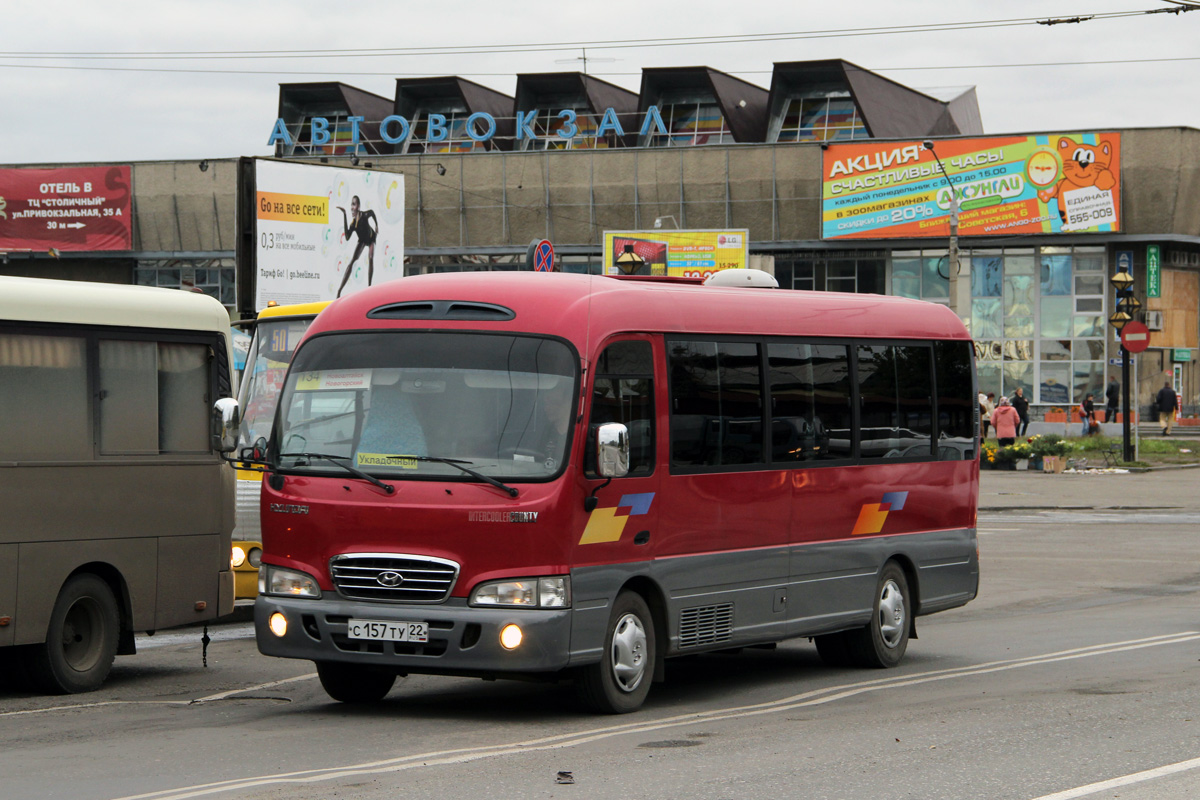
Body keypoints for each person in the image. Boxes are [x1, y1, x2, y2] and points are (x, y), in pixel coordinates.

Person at [336, 196, 379, 298]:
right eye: (351, 204)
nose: (352, 207)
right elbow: (347, 237)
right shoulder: (353, 224)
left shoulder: (364, 215)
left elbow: (372, 212)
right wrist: (345, 215)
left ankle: (369, 287)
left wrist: (376, 225)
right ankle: (339, 290)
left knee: (371, 258)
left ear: (358, 207)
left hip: (371, 238)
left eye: (354, 204)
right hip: (362, 240)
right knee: (352, 262)